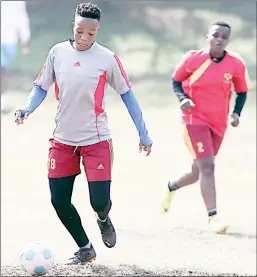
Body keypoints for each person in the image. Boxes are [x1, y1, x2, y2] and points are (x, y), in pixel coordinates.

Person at [15, 2, 152, 265]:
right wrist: (26, 109)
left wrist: (143, 134)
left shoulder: (107, 59)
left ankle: (103, 218)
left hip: (96, 141)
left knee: (99, 201)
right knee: (59, 200)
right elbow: (41, 87)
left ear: (97, 30)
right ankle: (85, 248)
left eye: (91, 33)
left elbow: (128, 96)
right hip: (62, 141)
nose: (84, 38)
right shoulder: (57, 53)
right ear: (73, 27)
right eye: (80, 31)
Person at [161, 22, 251, 234]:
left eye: (224, 36)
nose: (219, 39)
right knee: (208, 167)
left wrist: (236, 113)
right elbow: (176, 81)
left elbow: (242, 91)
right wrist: (182, 99)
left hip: (218, 124)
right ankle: (213, 217)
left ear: (228, 40)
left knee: (198, 171)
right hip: (194, 120)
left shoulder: (235, 64)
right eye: (215, 35)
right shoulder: (193, 59)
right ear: (207, 36)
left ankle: (172, 186)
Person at [1, 1, 31, 114]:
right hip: (8, 40)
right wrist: (24, 40)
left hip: (9, 40)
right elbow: (23, 20)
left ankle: (3, 103)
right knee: (2, 70)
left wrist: (24, 41)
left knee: (3, 70)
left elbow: (22, 20)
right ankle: (3, 103)